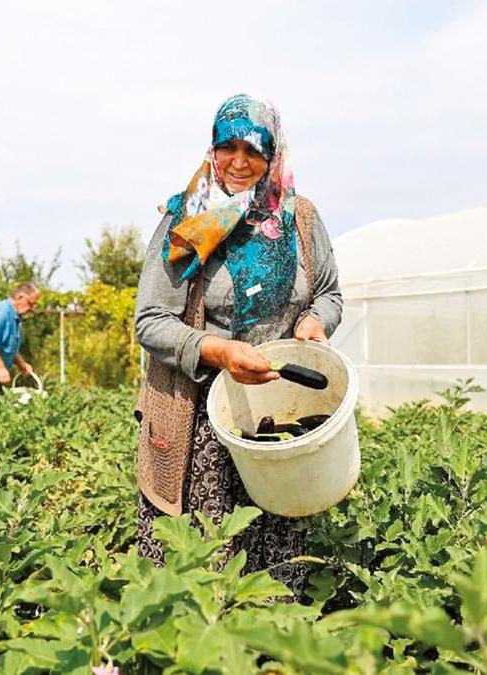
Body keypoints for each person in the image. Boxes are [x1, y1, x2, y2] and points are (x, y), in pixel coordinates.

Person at [134, 93, 342, 597]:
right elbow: (151, 320)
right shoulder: (189, 219)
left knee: (280, 555)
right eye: (227, 147)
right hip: (204, 419)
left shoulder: (301, 219)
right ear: (212, 150)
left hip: (280, 414)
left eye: (254, 150)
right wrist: (219, 351)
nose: (239, 162)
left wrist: (315, 322)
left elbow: (330, 293)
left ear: (274, 155)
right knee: (206, 564)